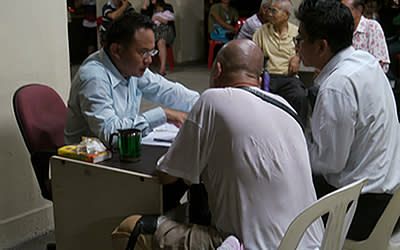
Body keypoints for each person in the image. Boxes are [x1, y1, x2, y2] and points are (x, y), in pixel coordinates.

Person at [153, 39, 323, 249]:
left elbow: (167, 175)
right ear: (259, 80)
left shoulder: (213, 99)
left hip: (254, 246)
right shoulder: (286, 107)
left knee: (131, 228)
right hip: (312, 243)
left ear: (217, 69)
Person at [296, 0, 400, 241]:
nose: (297, 47)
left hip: (364, 210)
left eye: (300, 40)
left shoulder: (337, 86)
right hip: (389, 195)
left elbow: (329, 164)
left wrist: (296, 145)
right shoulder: (366, 62)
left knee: (281, 186)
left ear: (322, 46)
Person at [64, 13, 199, 147]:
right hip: (87, 161)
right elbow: (111, 135)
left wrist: (205, 103)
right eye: (143, 52)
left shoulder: (129, 67)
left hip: (119, 154)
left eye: (151, 52)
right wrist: (164, 114)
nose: (149, 60)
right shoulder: (94, 77)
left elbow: (165, 90)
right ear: (117, 50)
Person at [253, 0, 308, 126]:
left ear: (286, 14)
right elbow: (253, 54)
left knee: (300, 96)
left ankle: (300, 131)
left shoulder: (296, 32)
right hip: (268, 76)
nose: (269, 14)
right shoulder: (261, 32)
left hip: (288, 77)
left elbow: (305, 51)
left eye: (274, 11)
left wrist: (297, 57)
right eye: (269, 10)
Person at [341, 0, 390, 73]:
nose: (342, 14)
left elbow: (381, 65)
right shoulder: (340, 29)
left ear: (359, 10)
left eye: (345, 10)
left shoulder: (372, 27)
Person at [141, 0, 176, 76]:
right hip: (155, 31)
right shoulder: (151, 9)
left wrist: (159, 18)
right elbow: (143, 17)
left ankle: (162, 69)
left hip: (167, 30)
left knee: (161, 42)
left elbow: (169, 21)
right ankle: (146, 67)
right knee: (145, 40)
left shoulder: (167, 7)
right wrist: (145, 3)